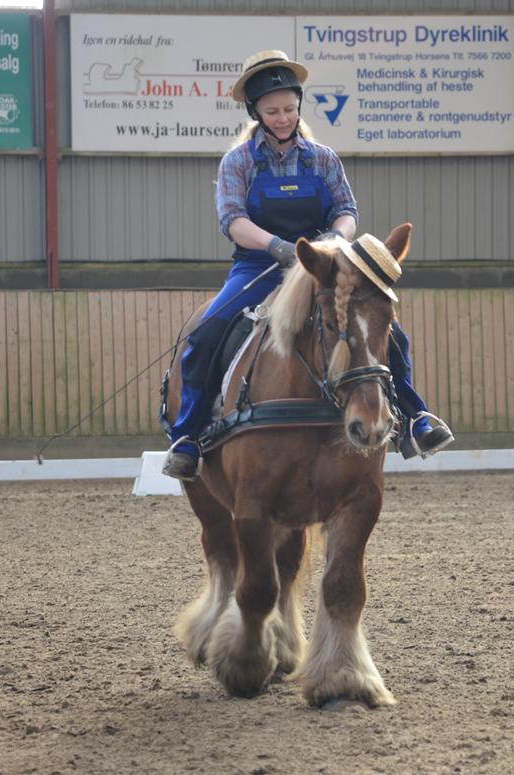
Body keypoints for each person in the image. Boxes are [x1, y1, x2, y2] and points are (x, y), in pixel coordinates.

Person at [163, 50, 453, 481]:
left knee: (389, 333)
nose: (282, 118)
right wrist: (279, 247)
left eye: (289, 109)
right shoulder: (238, 162)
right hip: (258, 265)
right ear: (256, 112)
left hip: (325, 266)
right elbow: (234, 221)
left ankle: (414, 417)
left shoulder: (323, 158)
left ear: (299, 106)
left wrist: (335, 240)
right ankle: (187, 436)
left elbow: (346, 209)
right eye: (272, 111)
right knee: (207, 332)